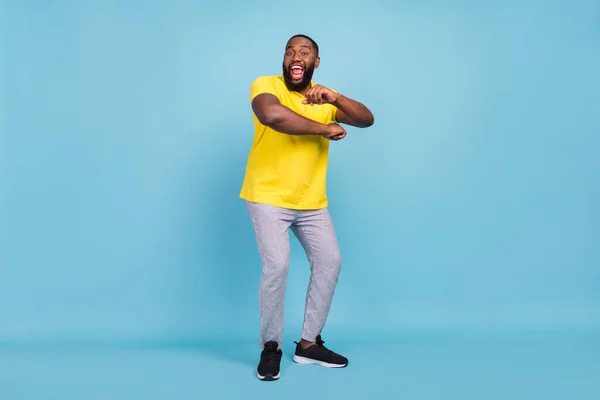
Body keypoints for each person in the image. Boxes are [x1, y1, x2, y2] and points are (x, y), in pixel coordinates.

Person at [239, 34, 374, 381]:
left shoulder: (322, 99)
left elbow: (365, 119)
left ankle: (309, 344)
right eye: (289, 52)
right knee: (277, 266)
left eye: (305, 52)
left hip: (311, 202)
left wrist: (335, 97)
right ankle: (271, 347)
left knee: (330, 261)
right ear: (284, 61)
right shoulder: (266, 85)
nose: (295, 56)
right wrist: (323, 128)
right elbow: (272, 115)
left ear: (315, 63)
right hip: (267, 197)